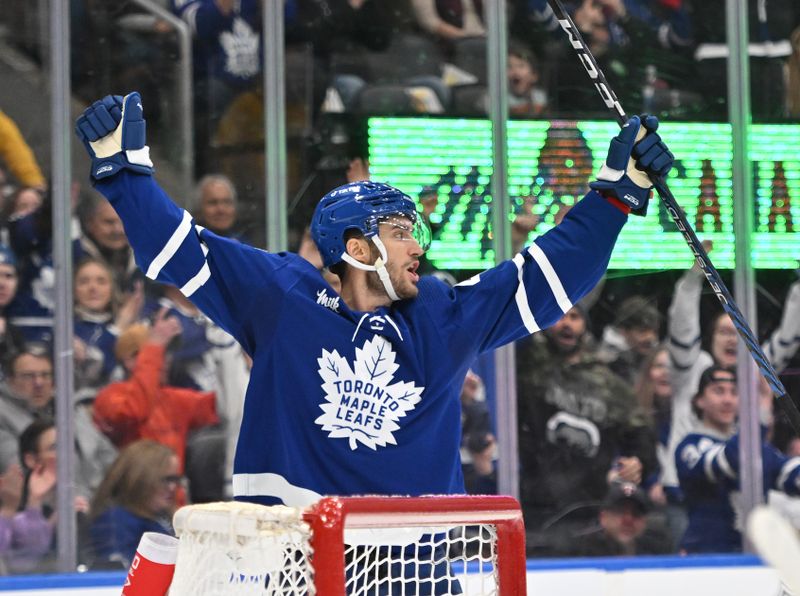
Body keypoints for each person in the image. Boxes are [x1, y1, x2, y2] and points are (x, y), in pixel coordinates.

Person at [75, 92, 673, 510]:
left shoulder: (440, 314)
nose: (418, 246)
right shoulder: (284, 297)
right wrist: (124, 176)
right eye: (400, 232)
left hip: (414, 570)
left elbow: (546, 278)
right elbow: (180, 251)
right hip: (298, 561)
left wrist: (617, 197)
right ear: (357, 248)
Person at [516, 302, 657, 555]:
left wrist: (639, 462)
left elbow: (640, 435)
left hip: (590, 507)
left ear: (585, 327)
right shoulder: (526, 367)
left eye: (574, 316)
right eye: (558, 316)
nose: (566, 323)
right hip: (534, 503)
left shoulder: (608, 383)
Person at [675, 365, 800, 553]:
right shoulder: (690, 446)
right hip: (705, 560)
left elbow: (790, 474)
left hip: (755, 560)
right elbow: (731, 460)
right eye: (718, 391)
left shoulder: (758, 448)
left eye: (734, 392)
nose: (728, 400)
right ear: (699, 400)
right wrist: (760, 411)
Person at [92, 313, 219, 480]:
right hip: (131, 498)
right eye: (159, 352)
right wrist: (153, 348)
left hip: (174, 500)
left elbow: (223, 407)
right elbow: (134, 410)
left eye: (166, 352)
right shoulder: (109, 396)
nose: (165, 360)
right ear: (130, 360)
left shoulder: (172, 398)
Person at [88, 440, 179, 570]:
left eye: (175, 479)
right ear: (140, 480)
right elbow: (119, 573)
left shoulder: (164, 517)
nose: (172, 487)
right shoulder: (115, 521)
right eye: (165, 480)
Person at [563, 481, 671, 557]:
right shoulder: (583, 554)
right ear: (603, 518)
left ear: (644, 522)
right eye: (619, 512)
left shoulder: (658, 555)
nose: (628, 520)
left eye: (636, 513)